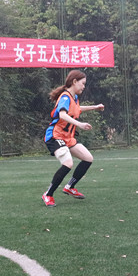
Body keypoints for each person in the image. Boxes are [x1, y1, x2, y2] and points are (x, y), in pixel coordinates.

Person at [42, 70, 105, 207]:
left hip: (67, 137)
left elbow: (77, 108)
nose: (84, 86)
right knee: (68, 163)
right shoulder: (65, 97)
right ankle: (48, 194)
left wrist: (95, 107)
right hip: (55, 136)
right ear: (74, 82)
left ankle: (69, 187)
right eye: (83, 83)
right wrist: (79, 124)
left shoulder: (74, 97)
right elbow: (62, 115)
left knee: (88, 158)